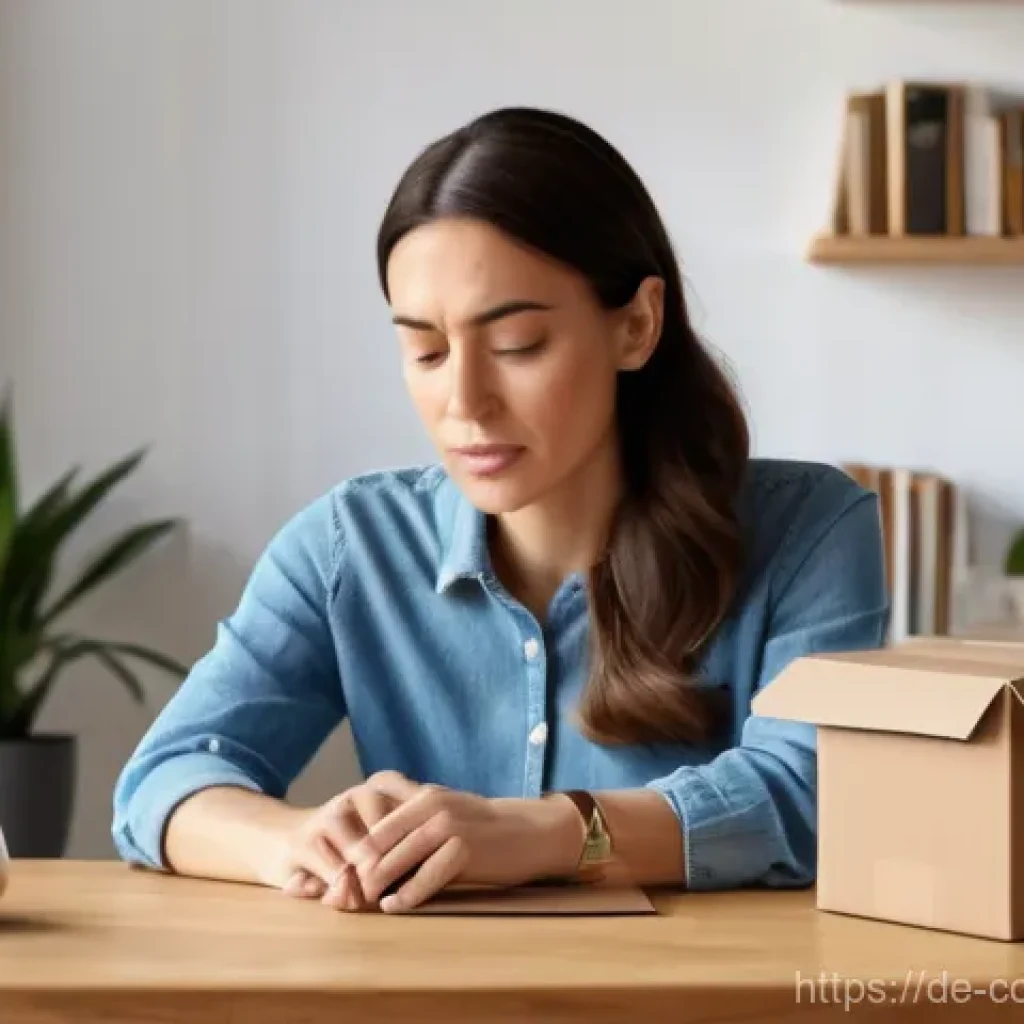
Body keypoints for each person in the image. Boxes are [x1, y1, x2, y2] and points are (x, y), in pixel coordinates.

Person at [112, 106, 888, 913]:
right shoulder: (349, 546)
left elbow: (809, 797)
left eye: (517, 345)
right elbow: (162, 783)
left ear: (636, 325)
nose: (465, 402)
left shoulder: (810, 530)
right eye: (426, 351)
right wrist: (302, 841)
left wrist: (548, 833)